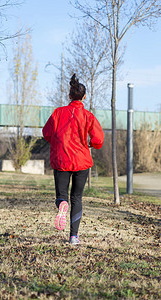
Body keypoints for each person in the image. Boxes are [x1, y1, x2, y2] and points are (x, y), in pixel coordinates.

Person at [42, 74, 104, 245]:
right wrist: (91, 144)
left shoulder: (57, 113)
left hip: (62, 160)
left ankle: (62, 203)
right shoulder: (88, 116)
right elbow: (99, 139)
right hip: (82, 162)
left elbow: (46, 133)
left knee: (63, 196)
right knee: (77, 198)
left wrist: (58, 143)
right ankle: (73, 237)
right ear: (84, 97)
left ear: (69, 96)